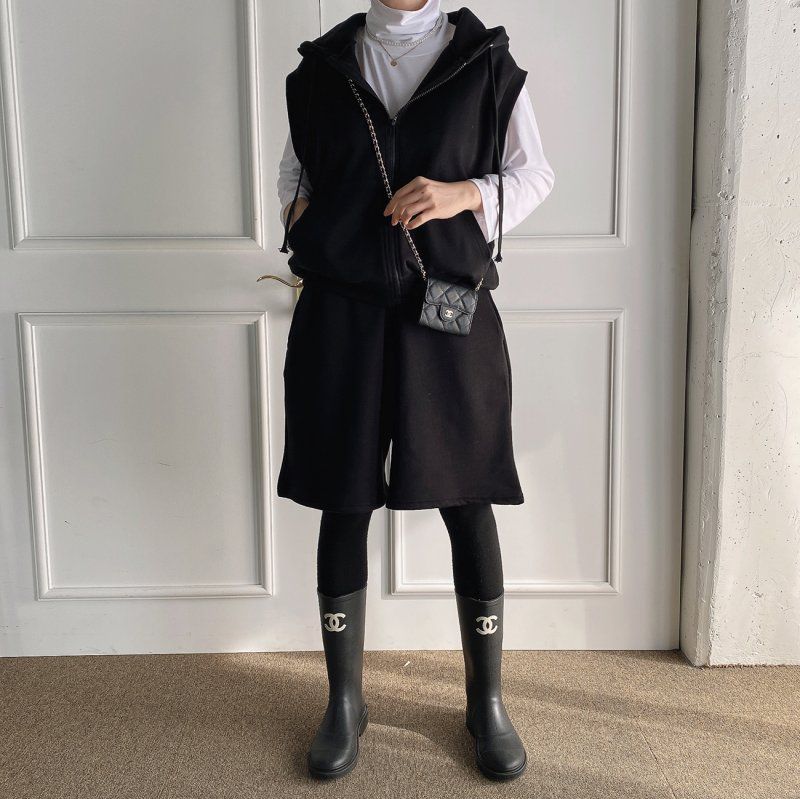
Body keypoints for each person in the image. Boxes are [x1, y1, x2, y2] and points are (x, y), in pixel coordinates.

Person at [274, 0, 554, 782]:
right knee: (344, 496)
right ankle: (344, 701)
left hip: (448, 307)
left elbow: (535, 174)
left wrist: (463, 194)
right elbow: (296, 175)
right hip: (343, 314)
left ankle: (486, 701)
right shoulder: (321, 70)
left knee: (467, 496)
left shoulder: (486, 64)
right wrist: (312, 229)